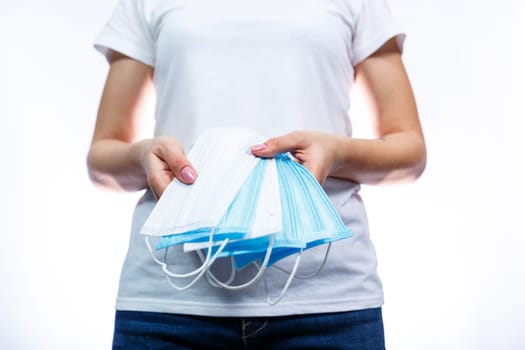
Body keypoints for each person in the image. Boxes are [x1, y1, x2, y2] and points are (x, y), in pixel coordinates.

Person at [88, 0, 426, 348]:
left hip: (327, 302)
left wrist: (338, 154)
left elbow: (409, 150)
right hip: (169, 302)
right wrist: (145, 156)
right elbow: (103, 157)